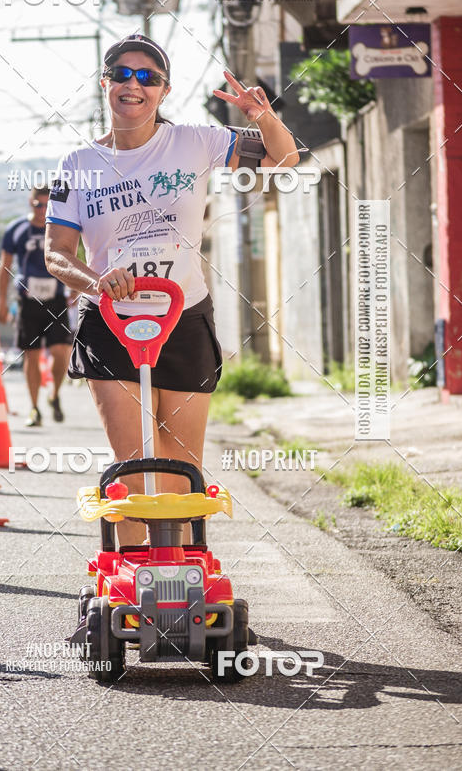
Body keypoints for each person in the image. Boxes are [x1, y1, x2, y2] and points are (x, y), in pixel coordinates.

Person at [44, 33, 298, 543]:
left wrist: (261, 116)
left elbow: (284, 159)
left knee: (182, 474)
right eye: (122, 74)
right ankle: (135, 596)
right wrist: (98, 280)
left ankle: (178, 592)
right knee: (135, 471)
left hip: (183, 318)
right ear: (105, 83)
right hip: (111, 324)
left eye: (147, 77)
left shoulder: (196, 141)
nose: (133, 85)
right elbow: (56, 254)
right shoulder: (78, 165)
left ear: (163, 90)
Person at [0, 185, 75, 426]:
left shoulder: (61, 226)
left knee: (61, 352)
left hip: (56, 299)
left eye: (46, 205)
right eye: (37, 205)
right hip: (27, 300)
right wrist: (2, 300)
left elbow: (72, 256)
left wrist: (74, 286)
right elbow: (5, 266)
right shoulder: (17, 229)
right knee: (32, 355)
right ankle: (34, 408)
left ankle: (54, 395)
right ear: (30, 204)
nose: (42, 210)